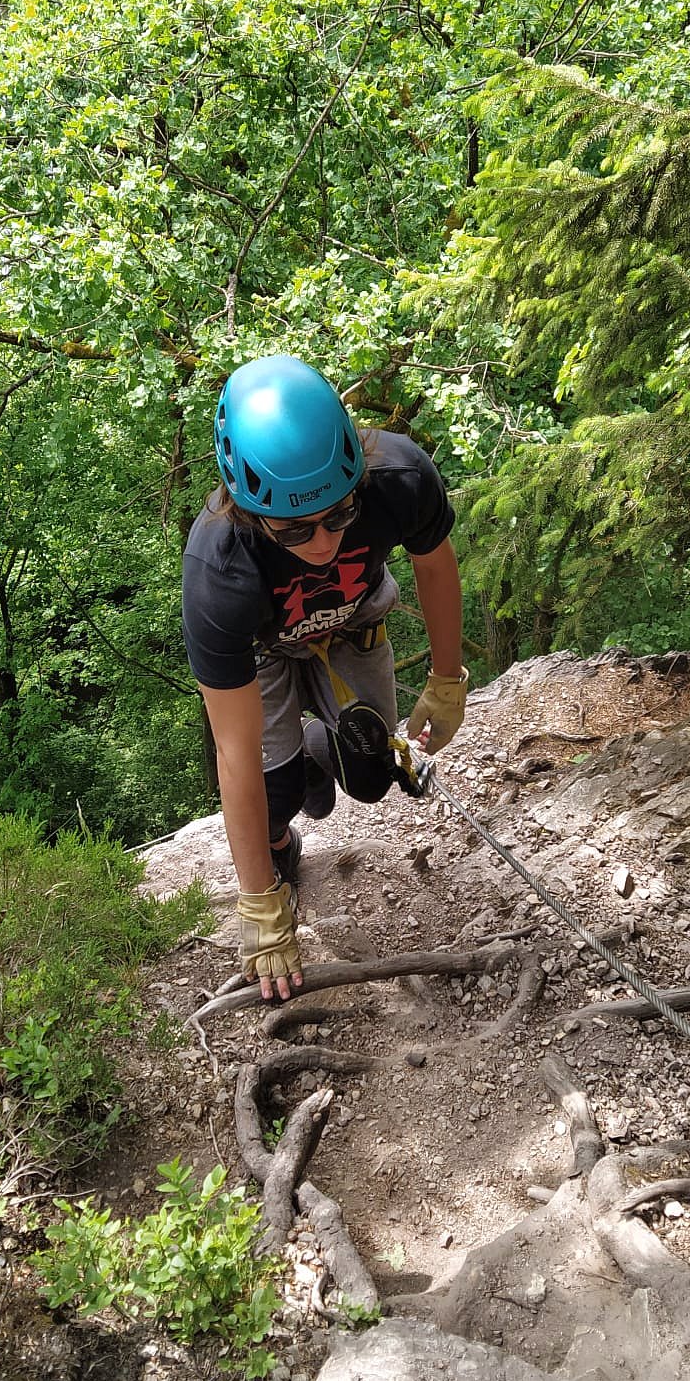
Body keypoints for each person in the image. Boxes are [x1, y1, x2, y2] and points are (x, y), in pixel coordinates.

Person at [182, 354, 469, 1002]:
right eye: (293, 530)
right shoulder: (220, 571)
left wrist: (447, 679)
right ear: (248, 510)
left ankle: (320, 748)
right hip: (265, 653)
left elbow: (434, 565)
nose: (321, 543)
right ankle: (283, 831)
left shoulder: (398, 478)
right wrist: (260, 904)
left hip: (353, 627)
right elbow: (233, 748)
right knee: (273, 793)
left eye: (339, 515)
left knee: (372, 777)